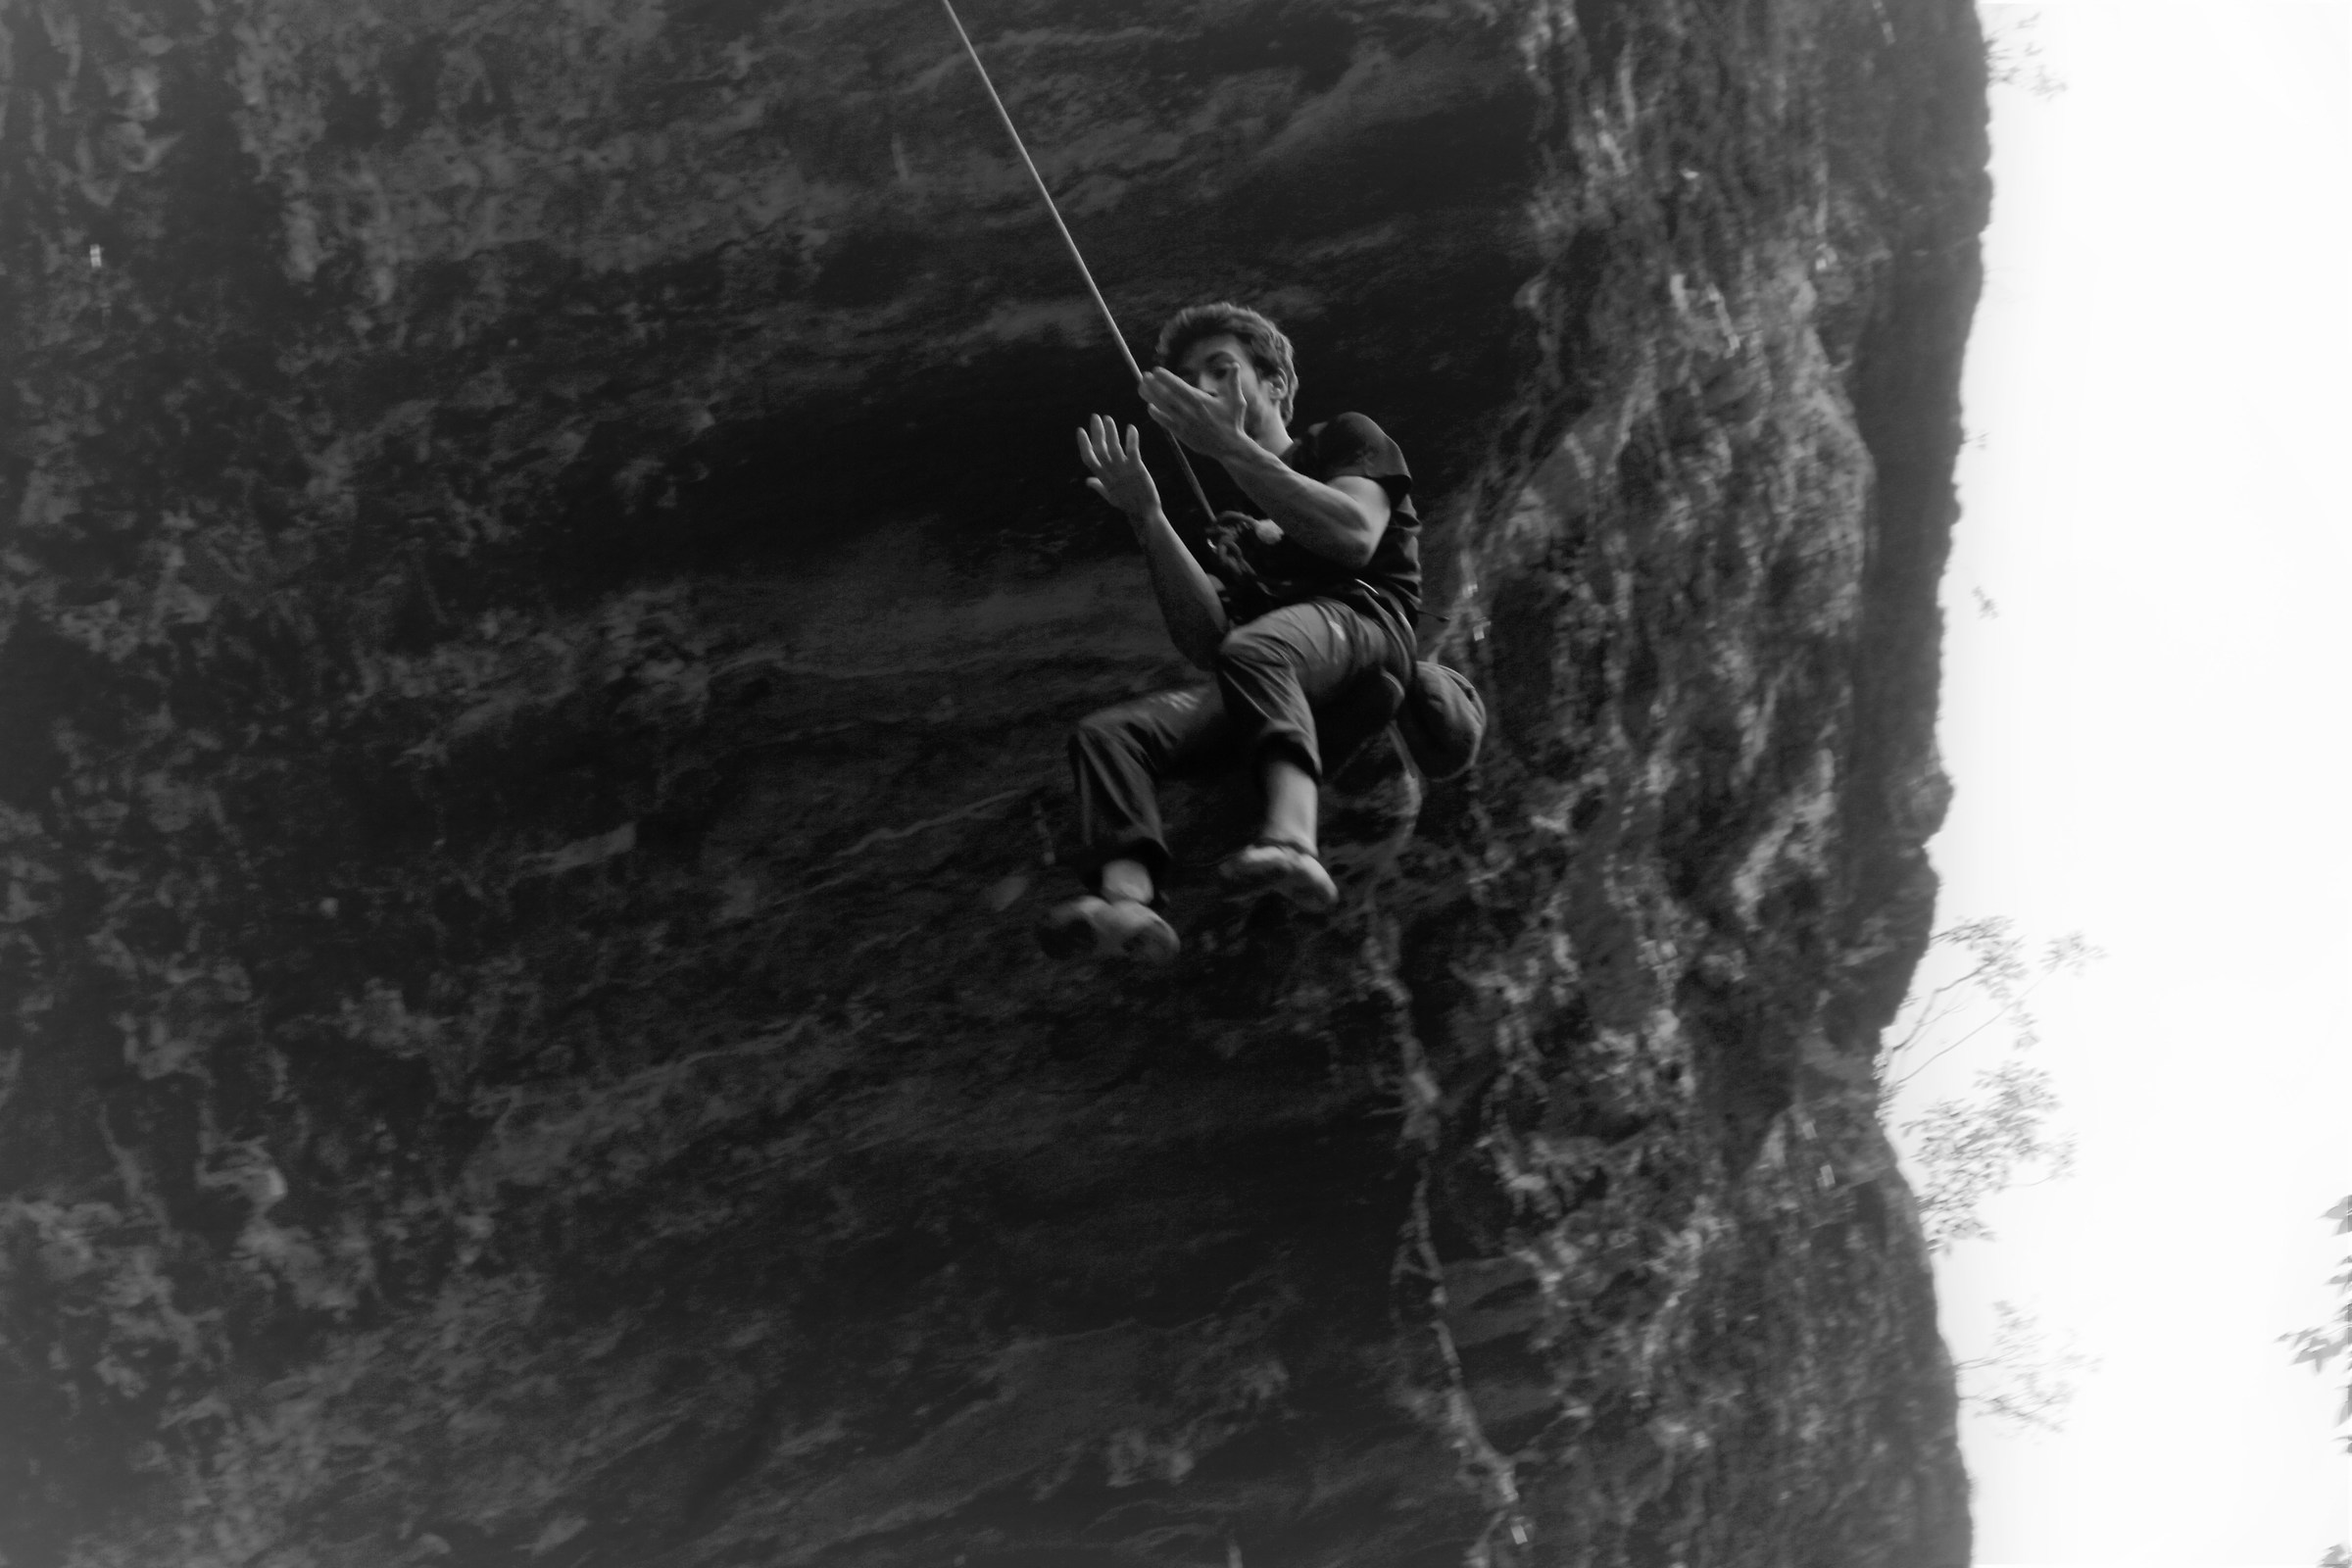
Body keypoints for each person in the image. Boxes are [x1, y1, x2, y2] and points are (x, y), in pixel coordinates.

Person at [1038, 302, 1422, 962]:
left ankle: (1292, 839)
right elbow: (1205, 644)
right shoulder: (1236, 524)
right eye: (1192, 381)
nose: (1206, 389)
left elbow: (1355, 536)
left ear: (1276, 383)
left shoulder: (1343, 439)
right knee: (1111, 734)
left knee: (1259, 648)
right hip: (1280, 667)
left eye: (1222, 369)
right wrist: (1148, 517)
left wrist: (1231, 448)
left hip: (1366, 629)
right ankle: (1126, 898)